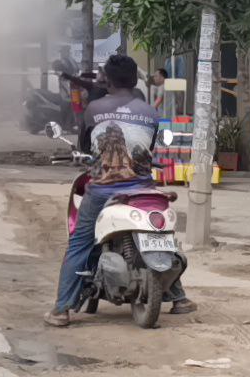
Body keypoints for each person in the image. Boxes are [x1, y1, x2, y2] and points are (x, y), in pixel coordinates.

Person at [44, 54, 195, 327]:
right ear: (135, 80)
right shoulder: (150, 112)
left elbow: (85, 144)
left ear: (108, 81)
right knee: (161, 237)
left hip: (103, 191)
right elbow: (151, 147)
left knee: (79, 243)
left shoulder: (94, 109)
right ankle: (179, 298)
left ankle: (62, 309)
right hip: (143, 190)